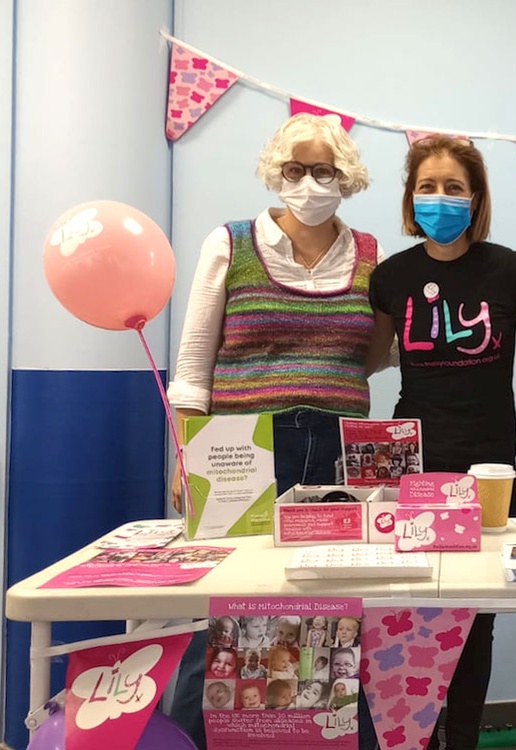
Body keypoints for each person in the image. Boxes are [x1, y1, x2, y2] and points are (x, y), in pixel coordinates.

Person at [167, 112, 389, 749]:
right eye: (296, 169)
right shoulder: (231, 244)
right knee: (229, 612)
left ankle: (336, 738)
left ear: (345, 177)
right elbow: (190, 370)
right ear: (275, 173)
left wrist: (316, 371)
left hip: (342, 450)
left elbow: (369, 354)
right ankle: (191, 738)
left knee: (335, 613)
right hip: (241, 451)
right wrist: (186, 464)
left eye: (324, 170)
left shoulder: (370, 256)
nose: (310, 182)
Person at [366, 136, 516, 750]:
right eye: (428, 187)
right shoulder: (390, 277)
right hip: (411, 463)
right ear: (411, 197)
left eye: (454, 187)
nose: (440, 199)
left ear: (476, 198)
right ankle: (415, 735)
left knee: (477, 614)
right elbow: (365, 358)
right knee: (412, 613)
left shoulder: (513, 273)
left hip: (490, 465)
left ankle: (462, 739)